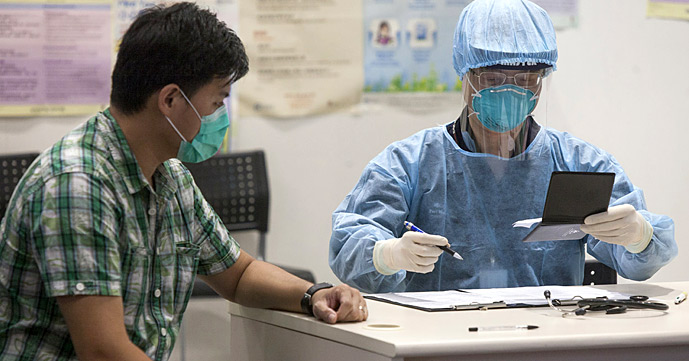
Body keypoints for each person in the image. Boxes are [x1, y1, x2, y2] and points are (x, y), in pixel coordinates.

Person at [0, 3, 366, 360]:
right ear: (171, 100)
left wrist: (314, 294)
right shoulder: (78, 184)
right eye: (217, 100)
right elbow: (102, 350)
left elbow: (239, 274)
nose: (220, 116)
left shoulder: (170, 178)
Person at [329, 0, 677, 294]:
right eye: (492, 78)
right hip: (439, 342)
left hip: (549, 339)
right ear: (463, 73)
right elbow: (349, 245)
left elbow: (641, 262)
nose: (510, 90)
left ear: (542, 79)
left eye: (526, 79)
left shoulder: (577, 162)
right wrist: (387, 254)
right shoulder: (410, 163)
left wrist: (640, 236)